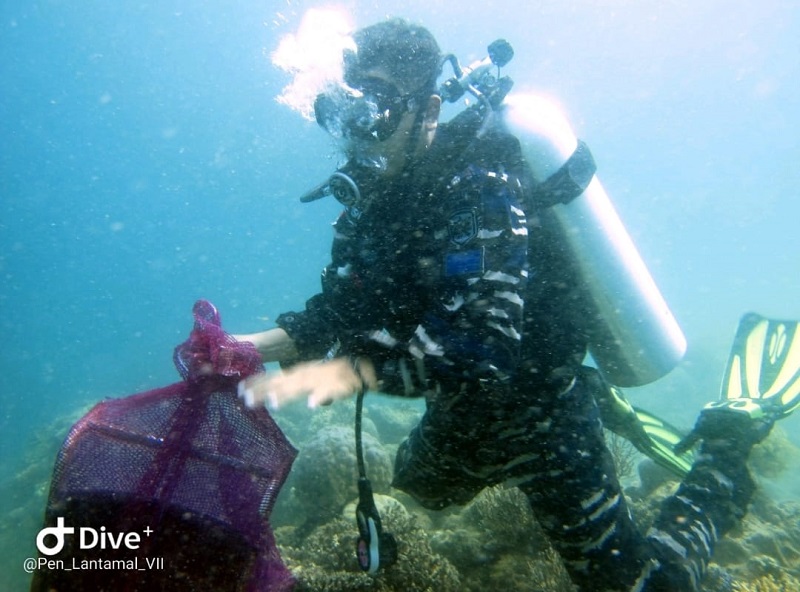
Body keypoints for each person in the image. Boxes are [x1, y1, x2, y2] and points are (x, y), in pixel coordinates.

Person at [236, 18, 775, 592]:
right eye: (345, 109)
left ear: (430, 110)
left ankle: (724, 447)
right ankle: (598, 403)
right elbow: (335, 314)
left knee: (644, 585)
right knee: (422, 487)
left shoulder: (480, 183)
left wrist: (307, 380)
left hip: (540, 415)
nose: (359, 131)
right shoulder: (372, 206)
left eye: (380, 106)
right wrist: (237, 350)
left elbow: (475, 353)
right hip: (460, 416)